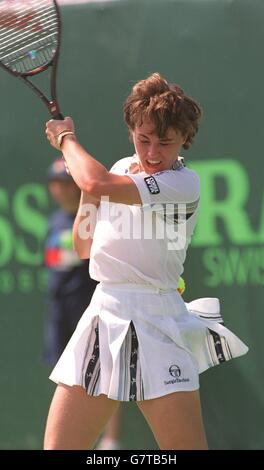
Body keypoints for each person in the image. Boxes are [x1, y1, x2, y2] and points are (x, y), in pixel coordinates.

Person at [44, 72, 248, 450]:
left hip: (157, 320)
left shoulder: (183, 184)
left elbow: (97, 182)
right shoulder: (120, 170)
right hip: (104, 314)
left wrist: (66, 141)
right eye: (144, 140)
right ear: (132, 132)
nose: (153, 153)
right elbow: (83, 246)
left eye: (165, 143)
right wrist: (92, 191)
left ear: (184, 139)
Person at [43, 158, 98, 366]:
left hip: (87, 308)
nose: (61, 189)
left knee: (93, 372)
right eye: (55, 183)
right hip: (59, 311)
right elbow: (52, 263)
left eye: (66, 182)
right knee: (61, 372)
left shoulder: (91, 217)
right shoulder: (53, 223)